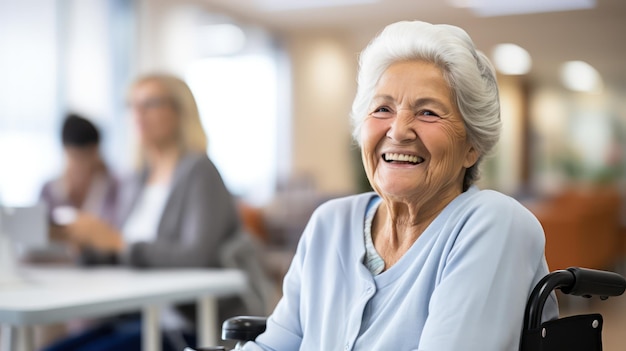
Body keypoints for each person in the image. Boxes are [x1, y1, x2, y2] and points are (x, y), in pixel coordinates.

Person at [242, 21, 558, 351]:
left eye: (428, 112)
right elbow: (274, 346)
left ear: (471, 147)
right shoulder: (329, 223)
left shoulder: (492, 223)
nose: (398, 130)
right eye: (382, 109)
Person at [43, 74, 249, 351]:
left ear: (179, 111)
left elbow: (198, 256)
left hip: (182, 326)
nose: (137, 114)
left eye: (150, 104)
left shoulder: (200, 171)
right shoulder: (138, 179)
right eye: (132, 105)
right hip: (137, 317)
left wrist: (116, 242)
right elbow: (123, 255)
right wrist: (86, 245)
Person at [40, 113, 117, 229]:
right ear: (65, 152)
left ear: (96, 154)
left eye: (87, 156)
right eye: (75, 156)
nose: (81, 165)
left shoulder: (112, 188)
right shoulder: (49, 191)